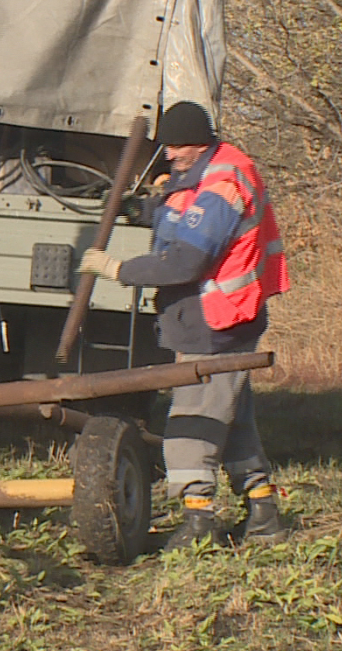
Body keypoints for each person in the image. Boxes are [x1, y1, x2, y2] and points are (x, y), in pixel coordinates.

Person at [78, 101, 290, 550]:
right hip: (217, 317)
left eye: (176, 147)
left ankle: (199, 522)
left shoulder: (223, 183)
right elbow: (176, 215)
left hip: (218, 321)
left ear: (199, 143)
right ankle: (263, 510)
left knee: (194, 417)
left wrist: (119, 269)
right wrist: (140, 210)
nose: (168, 155)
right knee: (231, 416)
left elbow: (187, 260)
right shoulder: (204, 173)